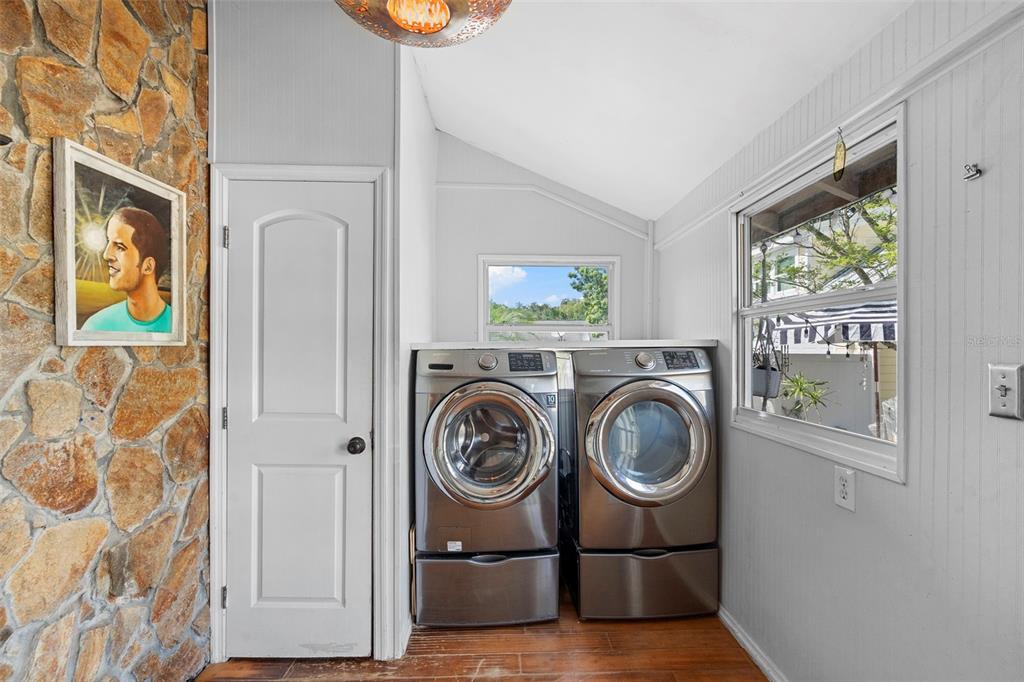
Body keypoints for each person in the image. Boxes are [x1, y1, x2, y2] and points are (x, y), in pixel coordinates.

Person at [81, 207, 172, 333]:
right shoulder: (96, 327)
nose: (106, 255)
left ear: (148, 266)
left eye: (119, 246)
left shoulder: (177, 326)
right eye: (108, 241)